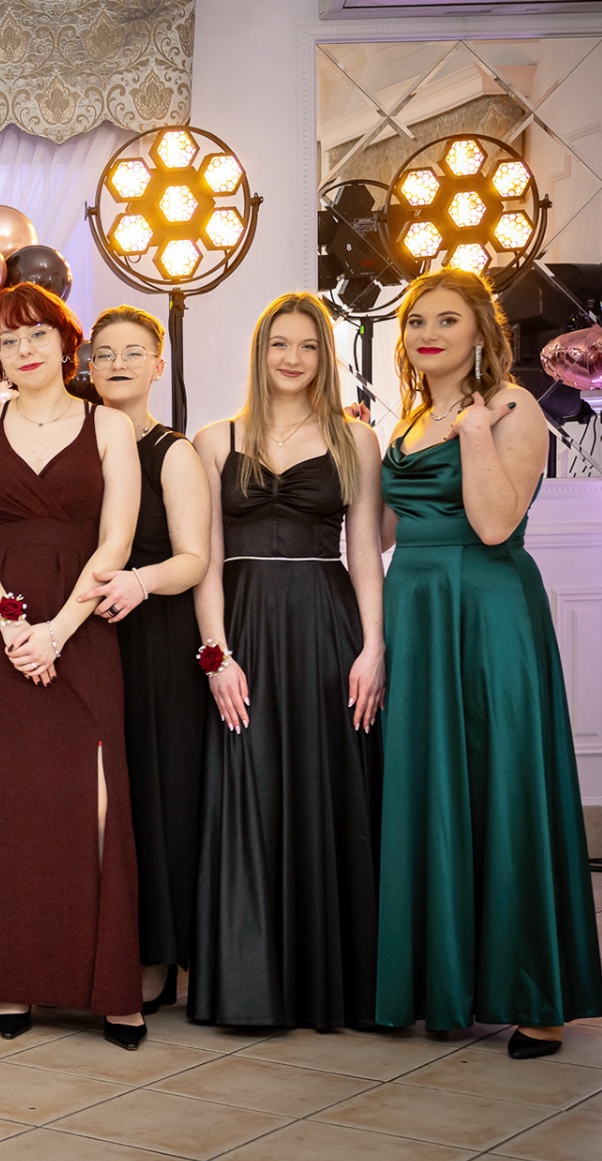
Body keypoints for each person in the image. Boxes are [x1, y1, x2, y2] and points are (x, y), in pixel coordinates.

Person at [375, 268, 602, 1057]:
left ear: (480, 332)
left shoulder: (512, 407)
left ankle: (537, 999)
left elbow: (497, 524)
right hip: (415, 610)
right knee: (427, 783)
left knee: (503, 782)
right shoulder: (411, 417)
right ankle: (441, 983)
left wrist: (474, 434)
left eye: (447, 319)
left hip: (487, 609)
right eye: (416, 321)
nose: (428, 333)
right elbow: (386, 530)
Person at [0, 282, 148, 1049]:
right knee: (4, 805)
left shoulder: (109, 426)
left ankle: (111, 989)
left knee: (94, 802)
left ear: (66, 343)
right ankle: (12, 978)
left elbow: (117, 540)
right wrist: (11, 624)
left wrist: (56, 632)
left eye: (36, 335)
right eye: (8, 341)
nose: (24, 351)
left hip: (80, 625)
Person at [190, 292, 384, 1031]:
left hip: (326, 626)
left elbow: (364, 553)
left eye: (308, 345)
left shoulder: (355, 439)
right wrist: (215, 656)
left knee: (324, 790)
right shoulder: (215, 439)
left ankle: (330, 986)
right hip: (241, 627)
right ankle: (250, 987)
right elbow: (205, 561)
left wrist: (373, 647)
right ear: (260, 351)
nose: (293, 358)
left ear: (324, 357)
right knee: (247, 790)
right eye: (280, 344)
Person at [78, 307, 210, 1013]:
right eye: (105, 353)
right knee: (92, 796)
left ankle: (157, 953)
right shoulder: (76, 442)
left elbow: (194, 558)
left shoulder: (172, 451)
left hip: (154, 635)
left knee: (154, 792)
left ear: (159, 366)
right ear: (87, 367)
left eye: (134, 352)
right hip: (82, 634)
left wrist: (140, 580)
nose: (118, 364)